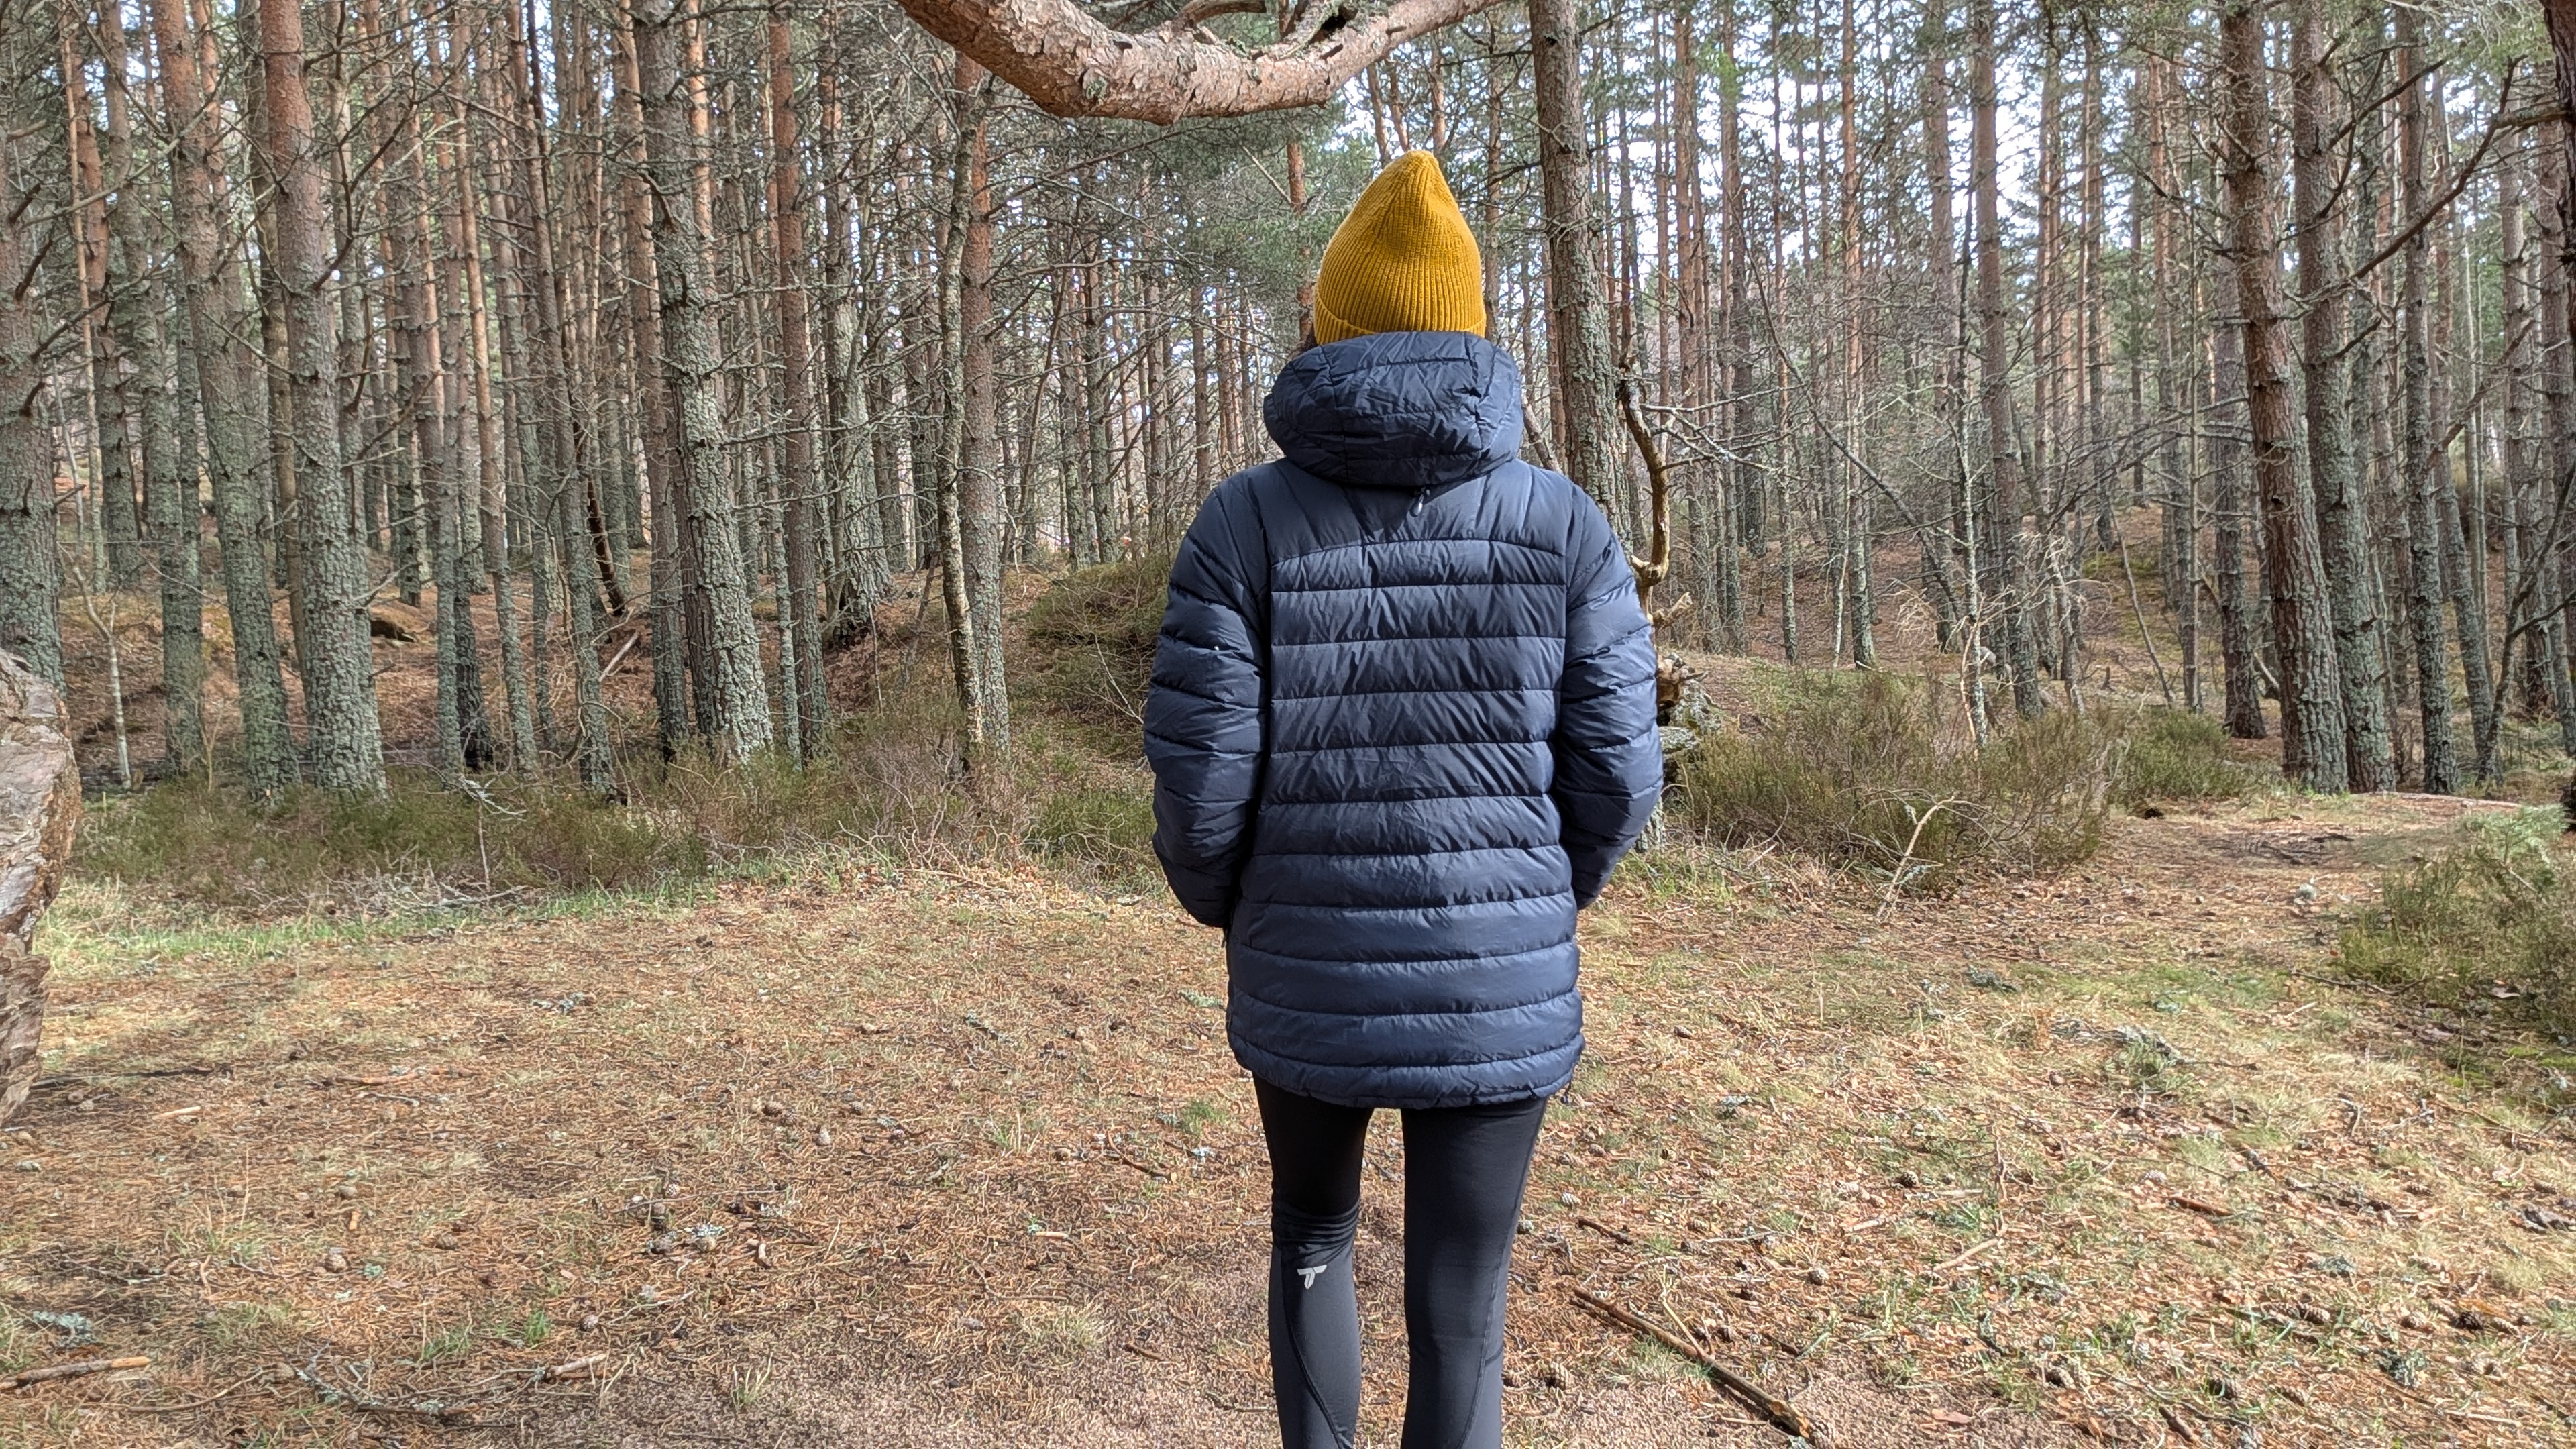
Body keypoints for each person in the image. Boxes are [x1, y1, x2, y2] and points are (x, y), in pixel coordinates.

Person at [1142, 150, 1662, 1449]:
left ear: (1329, 326)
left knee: (1314, 1238)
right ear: (1473, 332)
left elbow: (1202, 773)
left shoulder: (1244, 522)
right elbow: (1616, 773)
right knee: (1464, 1301)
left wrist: (1235, 907)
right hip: (1501, 973)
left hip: (1304, 957)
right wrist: (1535, 899)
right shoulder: (1565, 525)